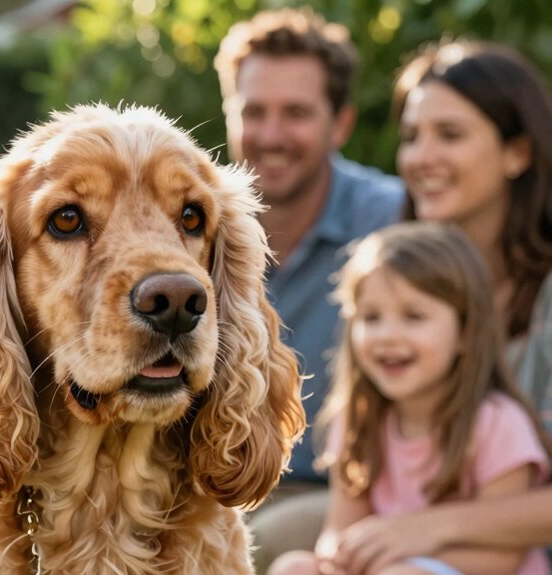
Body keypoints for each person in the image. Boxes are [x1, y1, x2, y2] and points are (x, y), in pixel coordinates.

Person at [308, 39, 552, 575]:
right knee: (273, 545)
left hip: (505, 550)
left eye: (450, 135)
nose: (422, 158)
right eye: (412, 136)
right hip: (400, 524)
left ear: (517, 153)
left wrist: (429, 527)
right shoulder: (392, 271)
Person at [212, 8, 404, 570]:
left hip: (344, 489)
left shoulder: (392, 222)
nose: (271, 136)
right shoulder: (193, 223)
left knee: (252, 542)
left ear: (340, 124)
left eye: (296, 113)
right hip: (213, 480)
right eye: (254, 112)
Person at [269, 221, 552, 575]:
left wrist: (397, 564)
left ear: (466, 333)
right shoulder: (359, 418)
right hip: (387, 569)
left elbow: (504, 558)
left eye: (413, 317)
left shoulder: (497, 423)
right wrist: (337, 557)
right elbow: (340, 527)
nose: (387, 336)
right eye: (371, 317)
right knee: (294, 567)